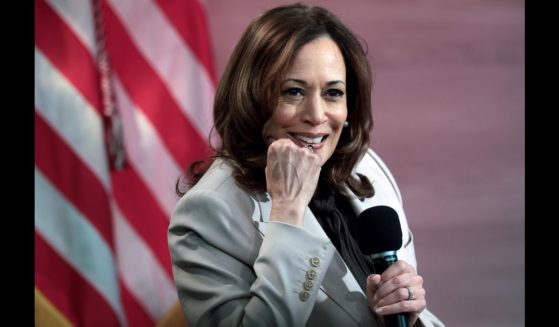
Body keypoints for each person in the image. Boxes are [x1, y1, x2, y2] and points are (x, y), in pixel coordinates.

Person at [168, 3, 444, 327]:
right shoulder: (208, 211)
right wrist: (287, 213)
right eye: (294, 91)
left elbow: (416, 312)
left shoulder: (367, 168)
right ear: (253, 99)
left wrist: (410, 315)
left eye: (332, 93)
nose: (316, 114)